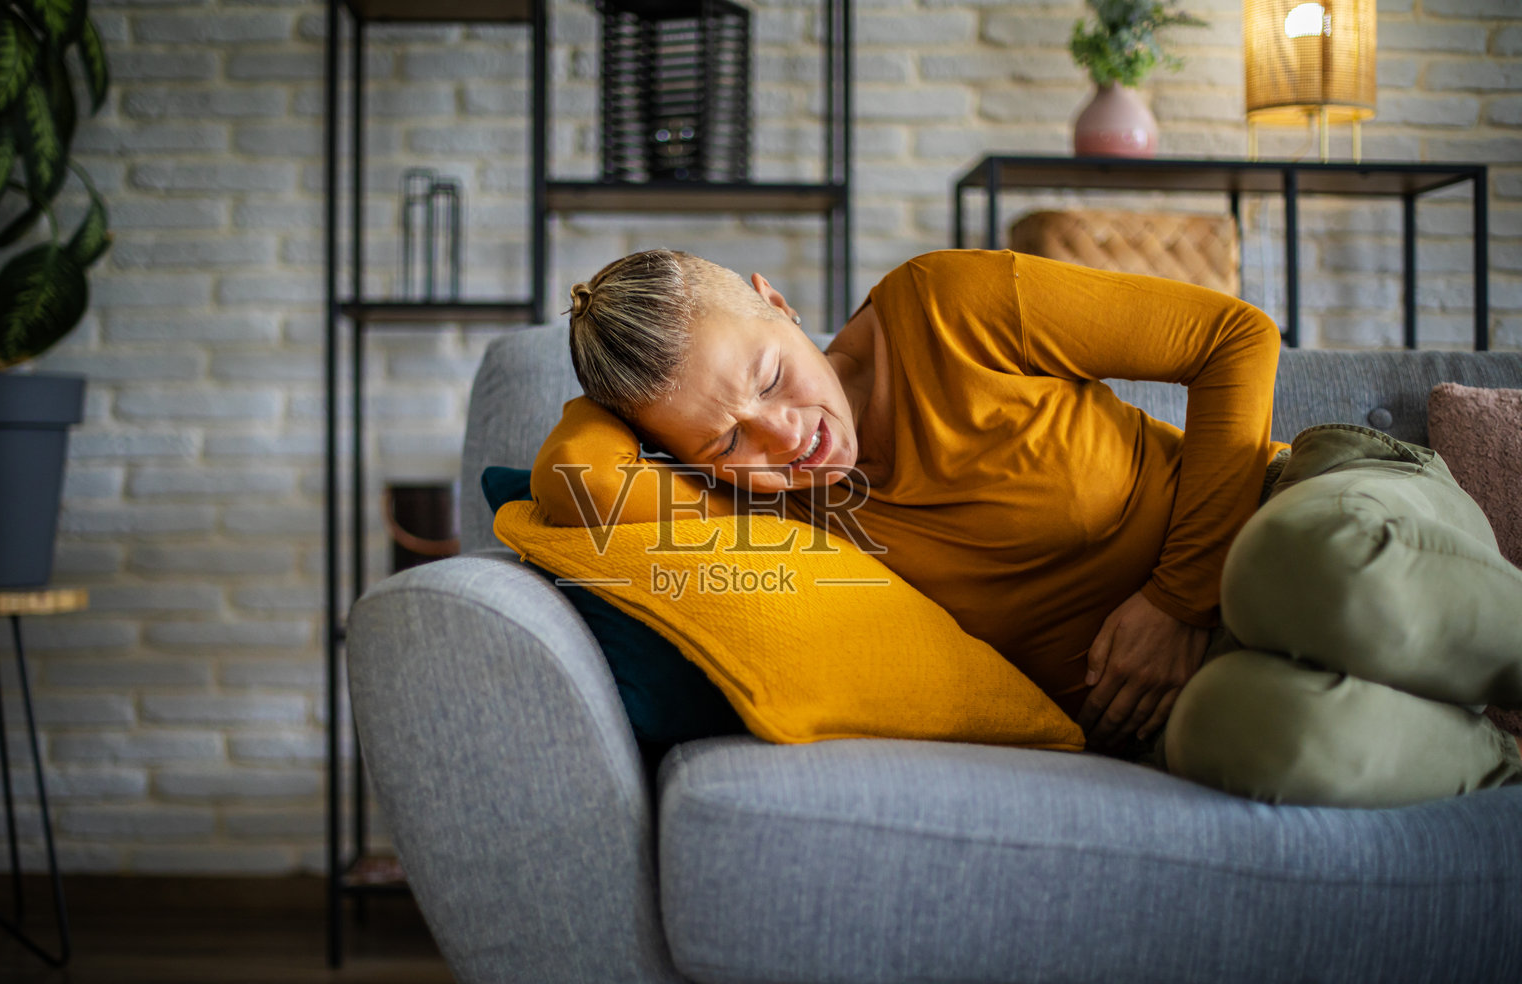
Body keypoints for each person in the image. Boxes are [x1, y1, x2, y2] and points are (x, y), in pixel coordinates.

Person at [533, 246, 1522, 808]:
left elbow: (1234, 335)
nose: (781, 437)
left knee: (1286, 568)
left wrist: (1177, 598)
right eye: (722, 442)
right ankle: (1502, 758)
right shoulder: (776, 512)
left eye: (767, 379)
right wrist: (642, 421)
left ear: (776, 301)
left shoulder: (945, 306)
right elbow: (571, 473)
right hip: (1217, 683)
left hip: (1304, 517)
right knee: (1257, 741)